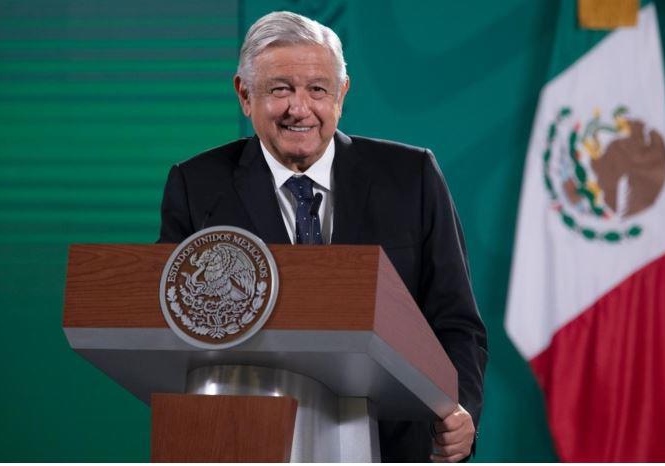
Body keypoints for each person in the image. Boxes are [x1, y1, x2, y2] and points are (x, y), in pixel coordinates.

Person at [158, 11, 487, 462]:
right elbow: (170, 330)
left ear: (341, 94)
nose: (300, 108)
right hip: (245, 442)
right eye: (280, 89)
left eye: (317, 89)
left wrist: (459, 409)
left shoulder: (412, 177)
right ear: (244, 95)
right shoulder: (197, 186)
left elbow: (456, 322)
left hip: (393, 444)